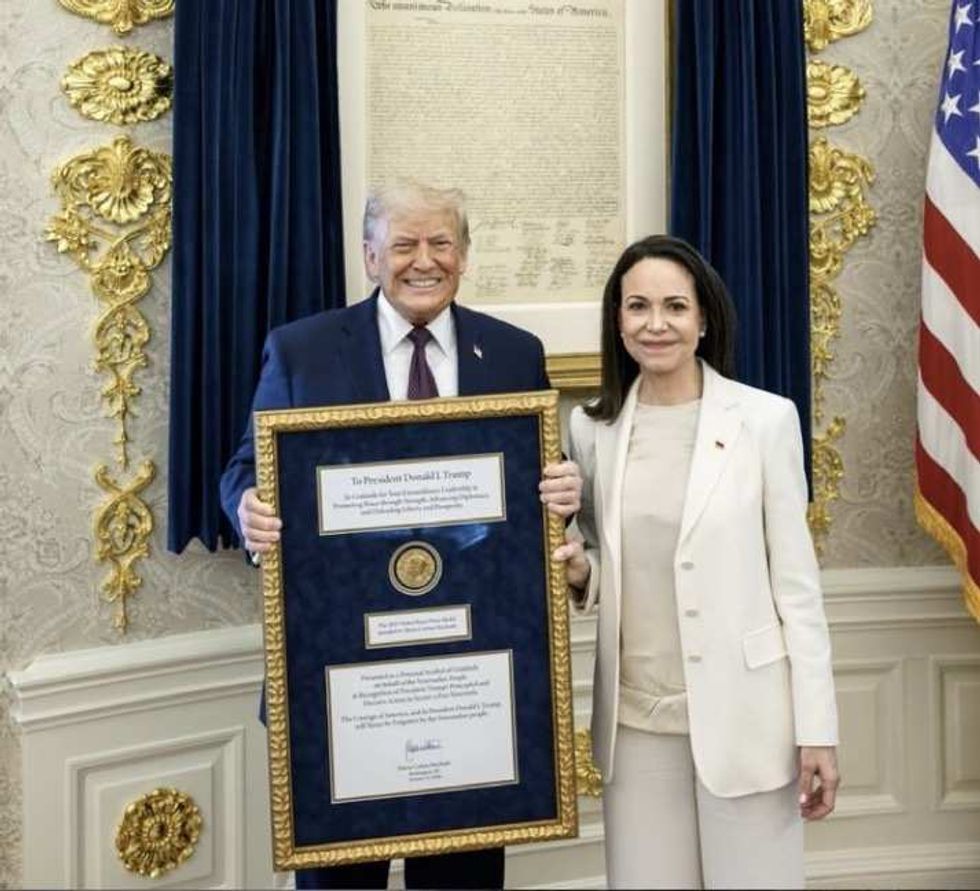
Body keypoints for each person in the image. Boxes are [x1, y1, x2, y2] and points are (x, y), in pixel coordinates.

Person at [220, 182, 582, 890]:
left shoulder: (512, 353)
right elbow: (244, 468)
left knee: (462, 874)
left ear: (464, 256)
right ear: (369, 255)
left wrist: (562, 496)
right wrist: (248, 507)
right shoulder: (302, 350)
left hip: (472, 669)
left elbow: (530, 492)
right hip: (340, 670)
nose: (425, 261)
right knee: (340, 879)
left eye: (441, 243)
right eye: (405, 244)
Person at [554, 235, 839, 889]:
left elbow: (797, 589)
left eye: (675, 307)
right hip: (635, 725)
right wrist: (579, 572)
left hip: (748, 719)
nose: (656, 324)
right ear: (617, 321)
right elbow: (601, 555)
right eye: (638, 307)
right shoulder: (591, 430)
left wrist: (817, 730)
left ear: (704, 319)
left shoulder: (765, 421)